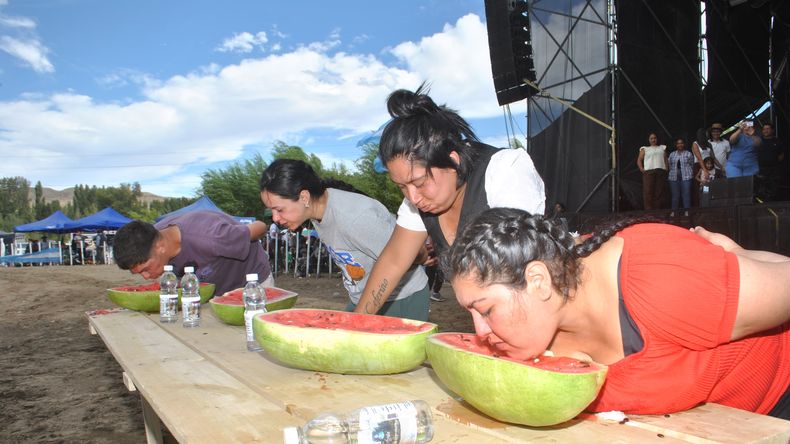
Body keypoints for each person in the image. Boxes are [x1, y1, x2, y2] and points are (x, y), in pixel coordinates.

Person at [442, 207, 790, 418]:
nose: (480, 332)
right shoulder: (535, 330)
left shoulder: (664, 280)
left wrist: (740, 255)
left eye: (486, 310)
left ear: (538, 281)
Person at [355, 83, 545, 316]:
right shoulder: (417, 200)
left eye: (420, 182)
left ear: (453, 161)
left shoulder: (506, 171)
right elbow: (394, 261)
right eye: (401, 186)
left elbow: (523, 274)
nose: (412, 197)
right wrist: (357, 321)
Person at [259, 159, 431, 321]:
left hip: (400, 299)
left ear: (304, 197)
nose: (275, 218)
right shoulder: (316, 211)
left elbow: (407, 254)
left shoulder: (355, 218)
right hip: (363, 298)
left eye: (279, 209)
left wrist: (423, 256)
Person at [113, 210, 272, 295]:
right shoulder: (151, 237)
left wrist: (239, 235)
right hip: (214, 290)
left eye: (146, 269)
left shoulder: (211, 237)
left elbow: (260, 226)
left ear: (160, 246)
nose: (146, 277)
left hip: (252, 283)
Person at [636, 132, 668, 210]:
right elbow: (639, 160)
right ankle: (649, 211)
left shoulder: (662, 148)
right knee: (648, 191)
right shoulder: (645, 149)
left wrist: (666, 168)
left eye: (655, 138)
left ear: (657, 139)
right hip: (649, 172)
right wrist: (642, 169)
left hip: (660, 171)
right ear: (649, 140)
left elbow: (665, 159)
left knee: (659, 191)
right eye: (651, 138)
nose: (653, 140)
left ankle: (657, 210)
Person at [758, 122, 787, 201]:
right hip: (761, 168)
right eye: (764, 129)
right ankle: (762, 204)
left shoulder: (777, 141)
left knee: (773, 187)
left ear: (772, 130)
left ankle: (773, 203)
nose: (765, 131)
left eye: (768, 129)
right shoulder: (758, 141)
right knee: (761, 187)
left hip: (774, 169)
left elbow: (781, 154)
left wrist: (775, 162)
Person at [667, 137, 695, 211]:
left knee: (686, 195)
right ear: (676, 145)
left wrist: (690, 173)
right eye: (678, 143)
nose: (680, 145)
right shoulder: (672, 154)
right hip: (673, 177)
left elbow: (692, 164)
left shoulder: (688, 154)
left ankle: (687, 211)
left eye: (681, 143)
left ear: (684, 144)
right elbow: (669, 165)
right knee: (675, 196)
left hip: (686, 176)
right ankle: (674, 212)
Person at [424, 237, 445, 302]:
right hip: (433, 255)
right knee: (432, 275)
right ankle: (431, 294)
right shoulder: (429, 235)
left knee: (439, 274)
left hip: (437, 254)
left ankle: (435, 293)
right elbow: (427, 246)